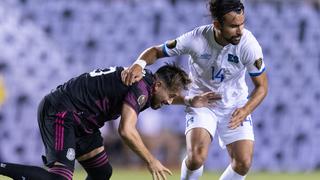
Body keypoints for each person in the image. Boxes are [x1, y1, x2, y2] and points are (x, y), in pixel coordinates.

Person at [122, 0, 268, 179]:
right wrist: (139, 63)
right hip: (202, 102)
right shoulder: (196, 39)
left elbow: (262, 87)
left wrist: (246, 109)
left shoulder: (249, 45)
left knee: (243, 162)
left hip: (235, 105)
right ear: (217, 25)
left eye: (242, 24)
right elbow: (155, 51)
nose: (240, 30)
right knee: (197, 157)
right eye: (233, 26)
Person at [0, 64, 219, 180]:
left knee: (101, 173)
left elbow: (162, 96)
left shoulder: (146, 83)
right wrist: (151, 160)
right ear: (159, 85)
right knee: (60, 179)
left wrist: (189, 100)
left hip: (83, 120)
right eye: (170, 96)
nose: (170, 102)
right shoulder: (141, 89)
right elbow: (126, 130)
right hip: (63, 112)